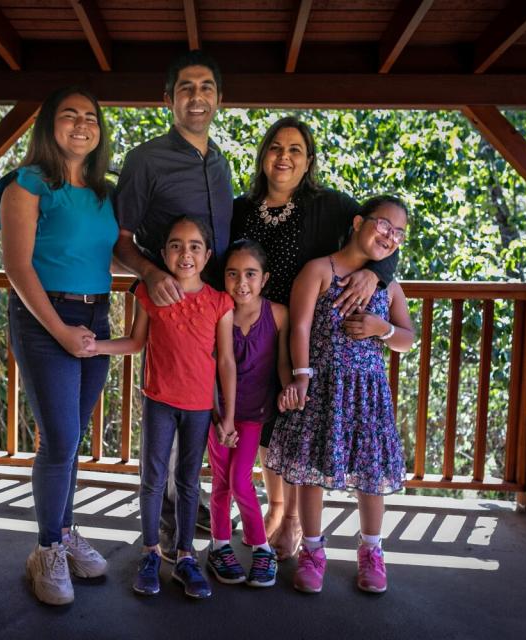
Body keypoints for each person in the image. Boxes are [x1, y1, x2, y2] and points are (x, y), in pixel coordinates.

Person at [230, 116, 399, 560]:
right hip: (254, 332)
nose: (283, 157)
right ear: (263, 154)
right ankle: (276, 509)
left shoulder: (330, 206)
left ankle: (289, 522)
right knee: (266, 423)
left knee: (292, 421)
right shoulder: (239, 209)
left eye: (295, 150)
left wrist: (376, 275)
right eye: (275, 147)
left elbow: (379, 234)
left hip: (306, 334)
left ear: (308, 162)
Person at [0, 86, 116, 606]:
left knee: (74, 435)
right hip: (46, 318)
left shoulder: (106, 190)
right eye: (70, 115)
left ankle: (63, 533)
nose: (82, 124)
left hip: (98, 314)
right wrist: (61, 331)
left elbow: (116, 250)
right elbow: (17, 267)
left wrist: (157, 273)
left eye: (91, 116)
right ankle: (46, 548)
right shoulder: (28, 184)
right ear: (49, 126)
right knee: (60, 439)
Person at [113, 49, 232, 561]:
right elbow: (119, 241)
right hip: (165, 309)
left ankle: (196, 512)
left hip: (217, 311)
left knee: (208, 416)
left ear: (218, 99)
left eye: (206, 87)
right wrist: (150, 270)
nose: (197, 96)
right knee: (165, 427)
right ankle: (163, 541)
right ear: (169, 98)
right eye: (186, 87)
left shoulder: (222, 162)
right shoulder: (145, 160)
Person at [268, 195, 414, 594]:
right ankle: (312, 550)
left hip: (367, 393)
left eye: (399, 232)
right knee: (311, 469)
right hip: (322, 386)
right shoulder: (318, 270)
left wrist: (380, 328)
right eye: (384, 224)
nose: (390, 236)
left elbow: (407, 338)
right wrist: (300, 377)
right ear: (357, 222)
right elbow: (297, 328)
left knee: (370, 475)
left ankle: (371, 551)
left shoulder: (388, 283)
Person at [92, 216, 236, 600]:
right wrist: (96, 346)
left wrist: (229, 416)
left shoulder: (220, 302)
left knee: (189, 482)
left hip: (199, 407)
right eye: (175, 245)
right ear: (163, 253)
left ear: (207, 256)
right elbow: (136, 342)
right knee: (153, 479)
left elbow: (225, 362)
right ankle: (150, 552)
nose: (184, 253)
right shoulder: (149, 295)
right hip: (158, 400)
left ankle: (186, 556)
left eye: (193, 246)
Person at [205, 239, 290, 588]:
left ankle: (261, 549)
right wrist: (215, 413)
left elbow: (283, 361)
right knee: (221, 482)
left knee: (240, 479)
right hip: (217, 413)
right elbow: (209, 365)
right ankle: (220, 546)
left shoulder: (278, 313)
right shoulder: (217, 309)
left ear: (264, 278)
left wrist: (292, 388)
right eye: (233, 273)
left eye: (250, 274)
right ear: (223, 277)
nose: (242, 281)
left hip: (253, 413)